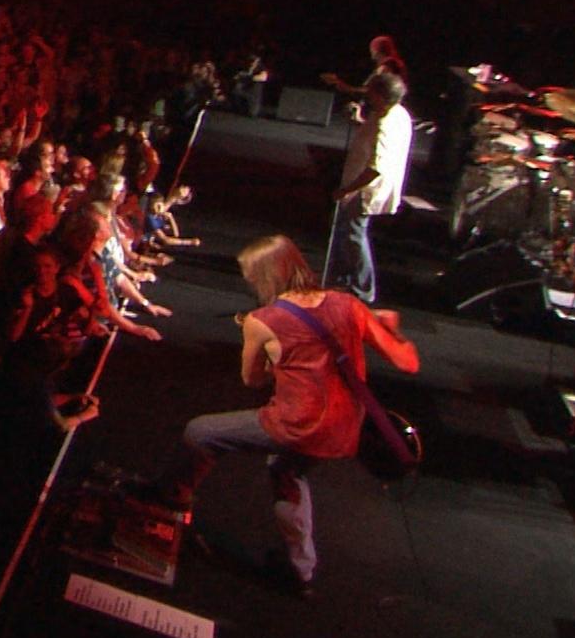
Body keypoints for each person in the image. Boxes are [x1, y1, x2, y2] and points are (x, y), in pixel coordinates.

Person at [144, 235, 418, 595]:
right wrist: (392, 332)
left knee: (201, 432)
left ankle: (173, 496)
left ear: (267, 277)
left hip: (298, 426)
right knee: (286, 471)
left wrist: (278, 362)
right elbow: (407, 362)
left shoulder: (262, 320)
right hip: (346, 426)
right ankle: (299, 570)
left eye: (252, 278)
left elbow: (251, 380)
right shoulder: (347, 304)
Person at [327, 72, 411, 304]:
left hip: (366, 190)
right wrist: (360, 122)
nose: (368, 97)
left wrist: (348, 190)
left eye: (372, 93)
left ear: (381, 96)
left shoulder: (386, 123)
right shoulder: (397, 114)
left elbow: (376, 168)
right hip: (366, 187)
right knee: (348, 233)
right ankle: (347, 278)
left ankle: (363, 288)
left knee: (354, 235)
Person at [320, 35, 407, 99]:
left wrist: (342, 86)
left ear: (375, 50)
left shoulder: (386, 67)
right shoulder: (396, 64)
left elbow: (372, 92)